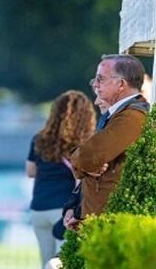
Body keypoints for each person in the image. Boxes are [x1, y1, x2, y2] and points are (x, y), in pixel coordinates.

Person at [25, 90, 95, 269]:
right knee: (59, 266)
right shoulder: (82, 142)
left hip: (38, 208)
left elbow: (30, 171)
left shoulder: (39, 139)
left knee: (44, 264)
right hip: (62, 211)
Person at [63, 54, 150, 230]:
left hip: (112, 221)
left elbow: (87, 157)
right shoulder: (122, 114)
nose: (95, 85)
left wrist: (83, 162)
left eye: (100, 79)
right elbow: (88, 158)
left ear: (121, 84)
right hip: (103, 217)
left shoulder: (132, 117)